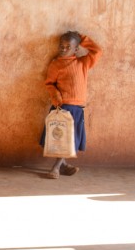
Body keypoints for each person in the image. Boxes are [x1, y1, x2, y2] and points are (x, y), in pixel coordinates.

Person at [41, 31, 103, 179]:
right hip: (62, 106)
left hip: (77, 108)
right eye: (61, 45)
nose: (63, 48)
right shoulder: (56, 64)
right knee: (62, 139)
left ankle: (60, 166)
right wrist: (56, 96)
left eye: (68, 46)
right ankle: (58, 167)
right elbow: (49, 84)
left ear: (76, 49)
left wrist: (81, 38)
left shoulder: (82, 63)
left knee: (69, 139)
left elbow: (97, 51)